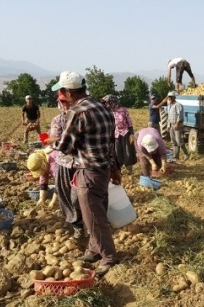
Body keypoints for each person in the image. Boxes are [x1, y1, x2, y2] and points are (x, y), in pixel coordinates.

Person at [48, 71, 119, 277]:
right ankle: (93, 250)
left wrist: (52, 141)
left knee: (93, 217)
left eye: (61, 91)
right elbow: (110, 142)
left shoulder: (77, 112)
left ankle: (109, 257)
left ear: (67, 92)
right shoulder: (102, 107)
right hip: (103, 169)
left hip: (88, 171)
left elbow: (65, 146)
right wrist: (115, 168)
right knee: (97, 212)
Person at [46, 91, 83, 238]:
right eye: (63, 102)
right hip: (64, 163)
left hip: (82, 162)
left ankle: (85, 221)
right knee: (65, 195)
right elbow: (54, 138)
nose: (66, 104)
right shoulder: (58, 120)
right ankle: (75, 224)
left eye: (67, 101)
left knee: (79, 195)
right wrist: (63, 140)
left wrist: (61, 140)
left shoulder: (81, 116)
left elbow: (58, 141)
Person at [101, 94, 137, 175]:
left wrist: (131, 134)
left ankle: (129, 170)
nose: (106, 105)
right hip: (115, 135)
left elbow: (129, 123)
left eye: (107, 103)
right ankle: (118, 170)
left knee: (128, 152)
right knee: (117, 153)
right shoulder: (108, 112)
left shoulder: (123, 110)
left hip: (125, 133)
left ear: (112, 102)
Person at [163, 91, 189, 160]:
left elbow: (180, 115)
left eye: (171, 97)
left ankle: (186, 154)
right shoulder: (169, 106)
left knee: (179, 141)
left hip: (177, 125)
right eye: (169, 97)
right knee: (174, 142)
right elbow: (169, 116)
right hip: (171, 125)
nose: (170, 98)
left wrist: (177, 124)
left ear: (174, 97)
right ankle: (176, 156)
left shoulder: (178, 105)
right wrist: (168, 126)